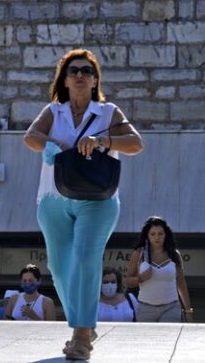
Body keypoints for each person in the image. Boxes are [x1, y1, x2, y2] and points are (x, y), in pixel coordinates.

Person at [23, 49, 143, 360]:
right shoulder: (54, 111)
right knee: (61, 270)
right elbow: (31, 137)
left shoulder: (108, 113)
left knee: (86, 259)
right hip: (54, 199)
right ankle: (84, 324)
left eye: (86, 71)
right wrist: (55, 143)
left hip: (98, 201)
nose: (79, 75)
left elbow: (136, 143)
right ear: (64, 79)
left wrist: (103, 141)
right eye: (73, 70)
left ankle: (81, 336)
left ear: (94, 80)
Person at [125, 216, 193, 323]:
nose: (157, 237)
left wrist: (188, 311)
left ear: (166, 235)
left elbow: (181, 284)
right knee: (147, 339)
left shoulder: (174, 254)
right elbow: (127, 282)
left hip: (171, 307)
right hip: (145, 309)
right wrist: (140, 278)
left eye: (160, 234)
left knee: (168, 337)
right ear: (147, 236)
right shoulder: (139, 254)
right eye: (153, 234)